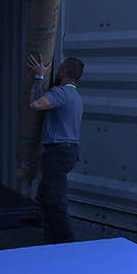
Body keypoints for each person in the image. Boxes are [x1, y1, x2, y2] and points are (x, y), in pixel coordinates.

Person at [28, 53, 84, 243]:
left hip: (58, 153)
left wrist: (39, 76)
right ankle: (51, 243)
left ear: (62, 72)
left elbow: (35, 104)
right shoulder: (75, 95)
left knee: (55, 201)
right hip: (67, 152)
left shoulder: (62, 93)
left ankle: (66, 244)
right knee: (45, 197)